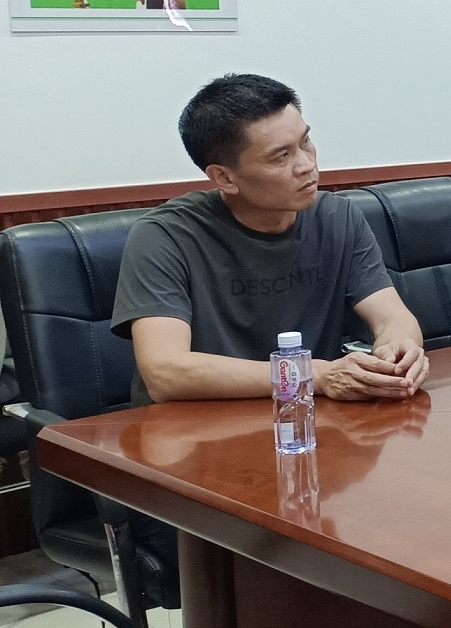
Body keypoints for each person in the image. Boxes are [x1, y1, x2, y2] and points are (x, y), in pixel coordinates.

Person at [113, 74, 428, 407]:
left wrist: (399, 350)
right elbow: (165, 372)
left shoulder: (338, 217)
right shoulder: (164, 236)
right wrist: (312, 374)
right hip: (197, 427)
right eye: (281, 157)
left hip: (308, 418)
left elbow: (391, 316)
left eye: (305, 142)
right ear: (224, 177)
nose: (307, 165)